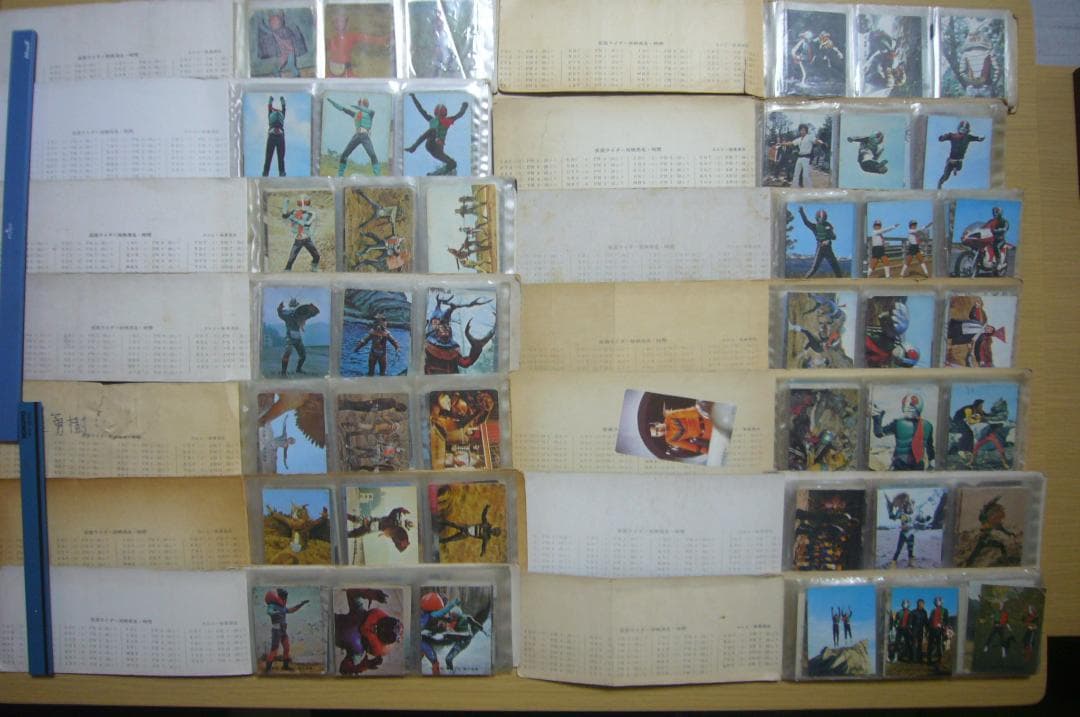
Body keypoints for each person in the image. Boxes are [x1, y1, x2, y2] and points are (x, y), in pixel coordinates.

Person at [335, 588, 403, 675]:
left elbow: (343, 669)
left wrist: (362, 667)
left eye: (377, 630)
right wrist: (369, 593)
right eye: (377, 626)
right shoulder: (359, 612)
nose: (368, 629)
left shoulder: (357, 652)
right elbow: (351, 592)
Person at [424, 293, 495, 374]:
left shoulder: (453, 349)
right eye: (441, 326)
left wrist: (476, 349)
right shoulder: (427, 346)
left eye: (447, 326)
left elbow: (465, 363)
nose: (445, 328)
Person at [406, 94, 469, 175]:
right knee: (432, 131)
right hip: (431, 144)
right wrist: (414, 97)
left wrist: (464, 106)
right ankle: (413, 147)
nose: (439, 116)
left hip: (438, 150)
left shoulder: (446, 120)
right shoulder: (433, 120)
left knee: (453, 164)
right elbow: (421, 110)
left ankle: (434, 174)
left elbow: (459, 114)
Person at [872, 393, 935, 472]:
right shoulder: (898, 423)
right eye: (905, 405)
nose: (907, 408)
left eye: (911, 405)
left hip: (915, 465)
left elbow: (930, 447)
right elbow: (879, 433)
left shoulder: (927, 426)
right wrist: (877, 419)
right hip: (900, 464)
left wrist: (932, 462)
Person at [325, 9, 391, 78]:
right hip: (333, 71)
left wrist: (382, 40)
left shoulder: (351, 36)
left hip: (346, 70)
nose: (339, 24)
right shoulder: (332, 38)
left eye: (341, 21)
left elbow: (365, 38)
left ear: (346, 22)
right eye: (336, 21)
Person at [327, 96, 381, 176]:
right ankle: (340, 174)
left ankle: (377, 175)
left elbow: (369, 111)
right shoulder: (356, 114)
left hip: (365, 136)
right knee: (345, 154)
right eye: (359, 104)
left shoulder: (370, 113)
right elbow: (343, 109)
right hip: (357, 135)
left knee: (372, 154)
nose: (359, 105)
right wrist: (333, 103)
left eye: (361, 104)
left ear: (365, 104)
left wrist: (358, 107)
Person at [263, 588, 310, 673]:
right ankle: (268, 669)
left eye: (285, 597)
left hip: (283, 630)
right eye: (284, 596)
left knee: (286, 647)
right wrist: (275, 613)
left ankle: (285, 666)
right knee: (274, 649)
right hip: (276, 630)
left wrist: (301, 604)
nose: (285, 598)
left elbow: (291, 610)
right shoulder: (273, 605)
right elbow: (269, 611)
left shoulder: (282, 607)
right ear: (280, 596)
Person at [964, 495, 1016, 566]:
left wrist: (1010, 533)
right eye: (998, 517)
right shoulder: (985, 520)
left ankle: (1005, 560)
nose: (1000, 519)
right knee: (976, 552)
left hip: (987, 540)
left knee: (1001, 546)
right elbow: (983, 514)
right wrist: (991, 503)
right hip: (982, 541)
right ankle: (968, 563)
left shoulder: (997, 524)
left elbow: (1003, 530)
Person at [437, 504, 502, 557]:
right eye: (495, 530)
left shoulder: (487, 537)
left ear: (494, 535)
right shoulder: (487, 525)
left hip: (466, 535)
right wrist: (486, 508)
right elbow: (483, 516)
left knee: (452, 539)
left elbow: (484, 545)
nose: (493, 531)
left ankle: (440, 541)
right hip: (466, 527)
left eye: (495, 533)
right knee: (453, 524)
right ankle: (441, 521)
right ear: (494, 528)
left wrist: (483, 552)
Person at [936, 120, 985, 189]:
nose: (963, 132)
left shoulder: (968, 137)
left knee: (959, 168)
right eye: (962, 130)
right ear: (958, 129)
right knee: (946, 175)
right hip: (951, 160)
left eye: (965, 130)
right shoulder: (953, 136)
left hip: (959, 160)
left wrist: (980, 139)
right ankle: (940, 183)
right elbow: (945, 137)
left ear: (967, 131)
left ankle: (955, 169)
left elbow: (976, 138)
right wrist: (942, 138)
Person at [257, 11, 307, 78]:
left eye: (277, 22)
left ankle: (296, 75)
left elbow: (292, 36)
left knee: (291, 64)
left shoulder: (285, 29)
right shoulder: (274, 33)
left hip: (291, 51)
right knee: (281, 64)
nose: (275, 24)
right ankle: (276, 72)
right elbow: (266, 30)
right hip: (284, 53)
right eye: (273, 23)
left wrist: (282, 16)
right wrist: (261, 24)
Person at [798, 206, 844, 278]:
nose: (822, 219)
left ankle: (841, 281)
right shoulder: (816, 226)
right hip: (821, 248)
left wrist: (829, 239)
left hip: (827, 248)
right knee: (815, 267)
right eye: (821, 217)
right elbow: (806, 222)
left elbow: (833, 236)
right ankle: (804, 280)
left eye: (823, 218)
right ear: (817, 218)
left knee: (835, 266)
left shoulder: (827, 225)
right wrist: (801, 212)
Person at [278, 298, 319, 375]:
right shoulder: (287, 315)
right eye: (292, 306)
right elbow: (280, 313)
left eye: (294, 306)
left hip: (298, 338)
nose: (293, 308)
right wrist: (279, 308)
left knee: (303, 355)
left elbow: (313, 313)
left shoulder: (301, 315)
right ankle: (283, 372)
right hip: (290, 338)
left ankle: (298, 369)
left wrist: (311, 307)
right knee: (287, 352)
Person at [281, 194, 320, 271]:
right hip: (298, 239)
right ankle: (287, 271)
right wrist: (286, 204)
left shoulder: (311, 213)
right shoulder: (294, 212)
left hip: (307, 239)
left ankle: (314, 268)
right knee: (291, 259)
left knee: (316, 256)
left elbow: (307, 224)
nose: (304, 205)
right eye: (301, 203)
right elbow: (284, 215)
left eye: (306, 203)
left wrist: (294, 219)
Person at [263, 95, 287, 177]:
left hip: (280, 136)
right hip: (272, 136)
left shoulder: (282, 114)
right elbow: (269, 107)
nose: (276, 111)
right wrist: (270, 100)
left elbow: (284, 107)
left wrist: (282, 100)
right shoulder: (271, 113)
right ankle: (265, 173)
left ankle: (282, 173)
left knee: (281, 157)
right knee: (268, 156)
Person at [926, 596, 950, 666]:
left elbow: (947, 621)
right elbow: (930, 620)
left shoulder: (945, 610)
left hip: (939, 630)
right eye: (935, 601)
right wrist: (927, 630)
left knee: (939, 645)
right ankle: (929, 660)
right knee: (930, 645)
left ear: (941, 602)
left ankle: (939, 659)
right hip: (932, 630)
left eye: (938, 601)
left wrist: (944, 627)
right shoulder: (932, 611)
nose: (936, 602)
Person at [910, 598, 930, 663]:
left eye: (922, 604)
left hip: (921, 630)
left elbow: (926, 621)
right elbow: (910, 622)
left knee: (920, 644)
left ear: (924, 604)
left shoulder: (925, 612)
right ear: (917, 604)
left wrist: (928, 629)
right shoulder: (913, 612)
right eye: (920, 603)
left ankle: (920, 658)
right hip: (914, 630)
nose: (921, 605)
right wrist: (910, 629)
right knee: (914, 644)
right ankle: (913, 659)